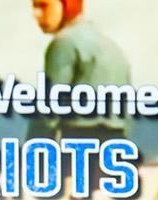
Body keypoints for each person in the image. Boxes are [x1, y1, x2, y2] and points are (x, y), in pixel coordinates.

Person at [28, 0, 132, 142]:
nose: (36, 15)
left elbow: (49, 110)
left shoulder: (64, 43)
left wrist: (32, 151)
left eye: (43, 6)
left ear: (67, 5)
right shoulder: (111, 47)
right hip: (117, 143)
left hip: (79, 143)